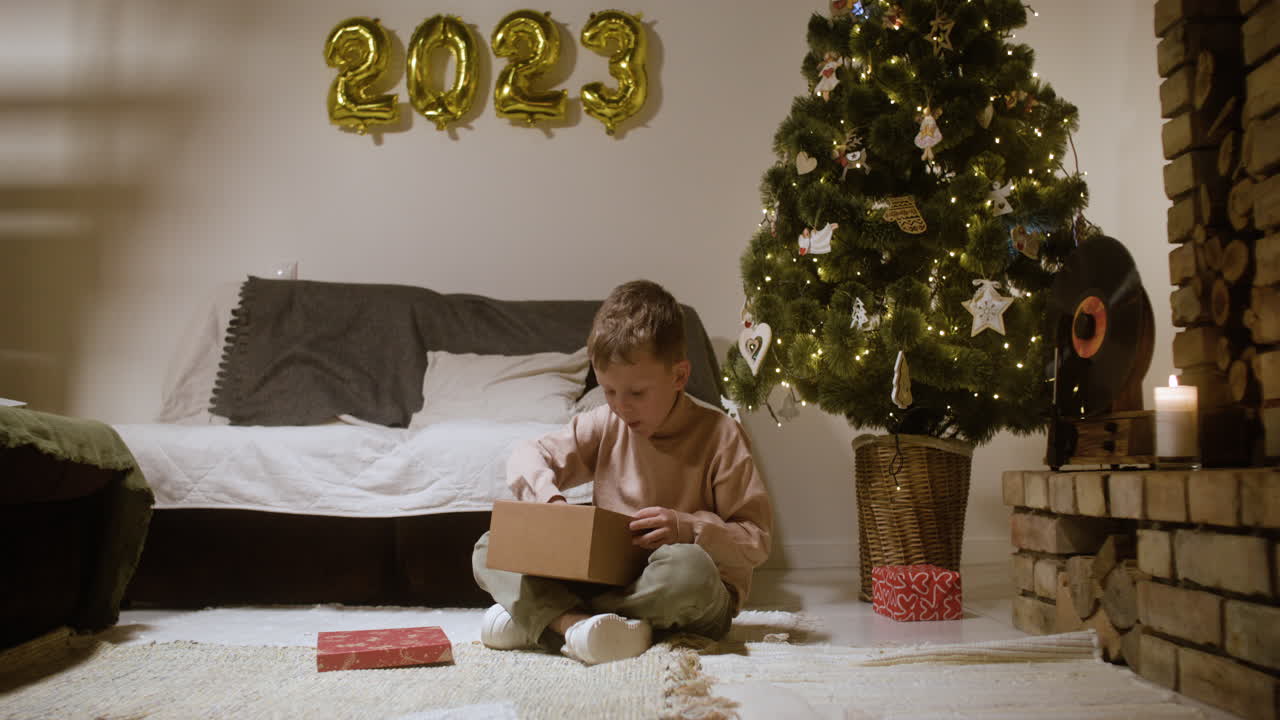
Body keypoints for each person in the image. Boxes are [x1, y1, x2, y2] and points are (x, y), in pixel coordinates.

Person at [471, 280, 773, 665]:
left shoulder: (721, 435)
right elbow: (527, 455)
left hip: (685, 590)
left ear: (679, 377)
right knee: (493, 543)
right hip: (604, 578)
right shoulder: (605, 422)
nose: (621, 407)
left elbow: (756, 541)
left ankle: (544, 619)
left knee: (689, 570)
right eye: (609, 391)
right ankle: (577, 625)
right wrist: (551, 502)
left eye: (636, 393)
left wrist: (687, 528)